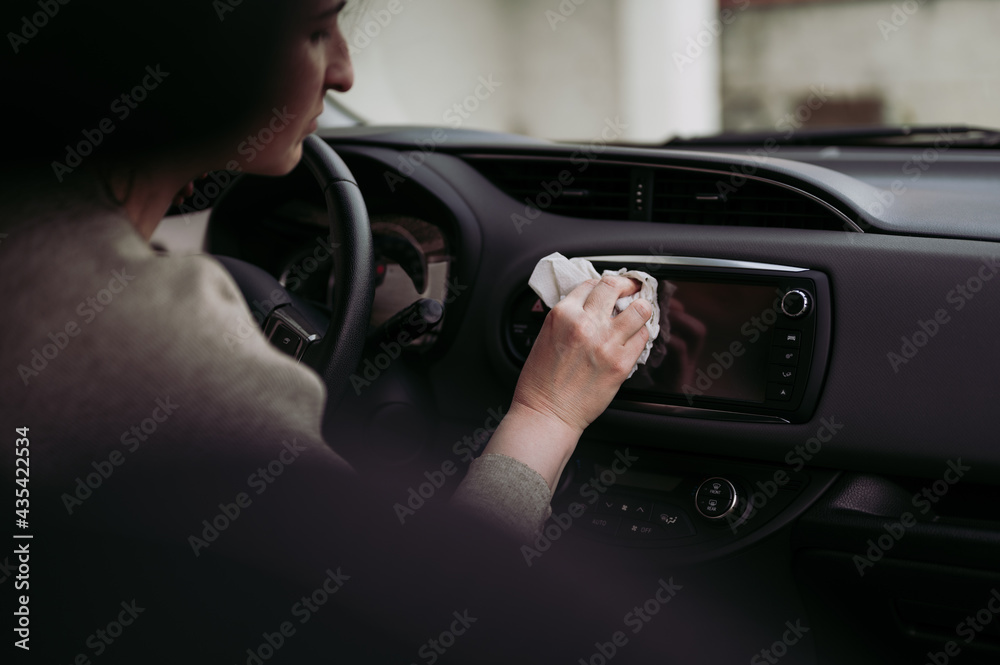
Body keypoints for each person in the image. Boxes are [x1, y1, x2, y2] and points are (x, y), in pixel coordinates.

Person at [0, 1, 656, 661]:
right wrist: (549, 412)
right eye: (316, 30)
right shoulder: (157, 337)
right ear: (196, 57)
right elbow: (432, 612)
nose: (342, 72)